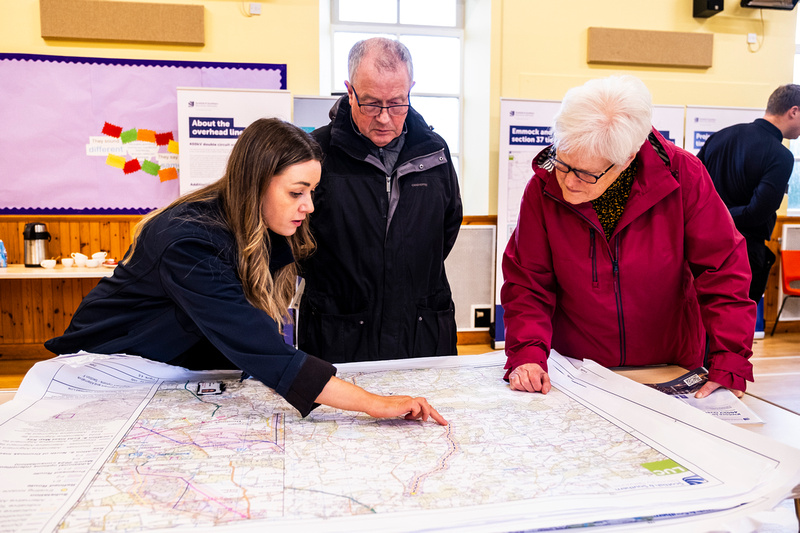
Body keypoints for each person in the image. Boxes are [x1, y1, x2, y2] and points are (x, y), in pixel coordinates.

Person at [45, 118, 446, 425]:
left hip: (167, 372)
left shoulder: (266, 228)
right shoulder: (187, 242)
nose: (308, 206)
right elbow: (259, 346)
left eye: (311, 192)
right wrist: (375, 404)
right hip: (101, 374)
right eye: (296, 192)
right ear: (255, 184)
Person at [501, 75, 756, 400]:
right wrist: (526, 354)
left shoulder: (684, 177)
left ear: (627, 160)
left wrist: (730, 361)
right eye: (563, 163)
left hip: (669, 365)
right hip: (578, 370)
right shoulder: (544, 187)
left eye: (585, 173)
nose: (568, 182)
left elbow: (723, 272)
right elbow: (527, 283)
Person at [298, 37, 463, 363]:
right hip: (338, 333)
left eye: (398, 102)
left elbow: (446, 229)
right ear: (349, 89)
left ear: (410, 89)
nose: (385, 118)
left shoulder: (435, 152)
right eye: (371, 104)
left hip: (421, 332)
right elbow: (296, 240)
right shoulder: (316, 152)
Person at [697, 84, 800, 303]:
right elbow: (756, 213)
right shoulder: (780, 156)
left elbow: (692, 192)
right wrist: (720, 215)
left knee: (700, 323)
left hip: (702, 248)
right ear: (793, 111)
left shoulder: (719, 137)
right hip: (742, 252)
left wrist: (709, 215)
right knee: (735, 327)